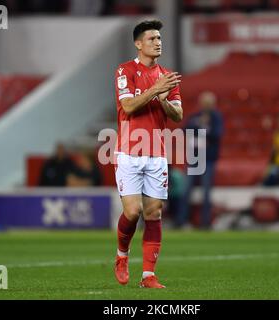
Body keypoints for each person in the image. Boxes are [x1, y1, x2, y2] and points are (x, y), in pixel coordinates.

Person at [113, 20, 183, 289]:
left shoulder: (168, 76)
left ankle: (148, 276)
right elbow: (128, 106)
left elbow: (178, 115)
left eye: (159, 38)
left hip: (156, 153)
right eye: (152, 38)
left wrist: (164, 98)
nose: (158, 42)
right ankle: (121, 256)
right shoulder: (125, 70)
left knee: (153, 213)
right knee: (132, 211)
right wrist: (156, 90)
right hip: (129, 151)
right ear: (138, 43)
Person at [175, 91, 223, 229]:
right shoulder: (195, 117)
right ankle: (181, 221)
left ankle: (205, 223)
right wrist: (199, 126)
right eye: (205, 103)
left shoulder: (216, 118)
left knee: (206, 192)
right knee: (185, 191)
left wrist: (204, 131)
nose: (206, 106)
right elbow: (185, 129)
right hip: (194, 158)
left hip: (208, 159)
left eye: (209, 103)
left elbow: (217, 134)